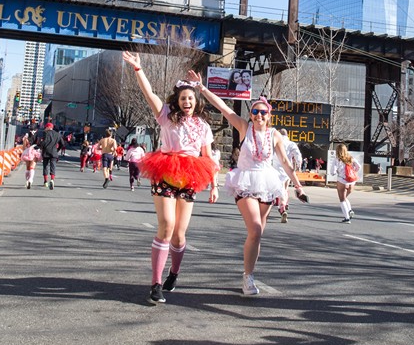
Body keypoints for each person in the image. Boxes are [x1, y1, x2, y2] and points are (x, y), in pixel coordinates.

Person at [122, 51, 220, 306]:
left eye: (190, 98)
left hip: (190, 176)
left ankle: (173, 274)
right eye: (182, 98)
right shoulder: (166, 116)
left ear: (196, 102)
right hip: (165, 170)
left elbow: (208, 159)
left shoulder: (203, 127)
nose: (186, 101)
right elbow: (149, 94)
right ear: (177, 101)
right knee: (166, 225)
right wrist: (138, 69)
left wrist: (213, 186)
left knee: (179, 233)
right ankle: (155, 284)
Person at [198, 88, 306, 296]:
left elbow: (284, 162)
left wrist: (297, 186)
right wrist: (202, 88)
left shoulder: (274, 135)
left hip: (267, 182)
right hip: (245, 181)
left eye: (263, 113)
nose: (259, 116)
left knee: (257, 235)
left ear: (269, 116)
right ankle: (248, 278)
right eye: (255, 112)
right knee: (255, 229)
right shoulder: (244, 127)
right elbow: (222, 106)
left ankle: (249, 272)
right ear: (250, 115)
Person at [276, 129, 302, 224]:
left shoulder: (275, 141)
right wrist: (299, 164)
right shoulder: (291, 144)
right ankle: (284, 204)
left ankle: (281, 206)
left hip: (274, 169)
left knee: (278, 189)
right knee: (285, 188)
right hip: (286, 169)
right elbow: (297, 154)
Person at [334, 144, 362, 223]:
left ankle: (347, 218)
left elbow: (332, 171)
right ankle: (349, 210)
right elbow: (358, 166)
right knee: (345, 197)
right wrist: (353, 171)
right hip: (352, 182)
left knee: (342, 199)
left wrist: (337, 172)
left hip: (342, 180)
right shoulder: (351, 158)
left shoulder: (337, 159)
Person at [34, 122, 64, 190]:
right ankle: (52, 179)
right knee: (53, 166)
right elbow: (62, 144)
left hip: (46, 152)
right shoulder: (58, 134)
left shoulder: (46, 133)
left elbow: (44, 142)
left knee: (45, 166)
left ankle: (45, 181)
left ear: (47, 127)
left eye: (46, 127)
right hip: (54, 152)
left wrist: (39, 147)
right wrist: (57, 150)